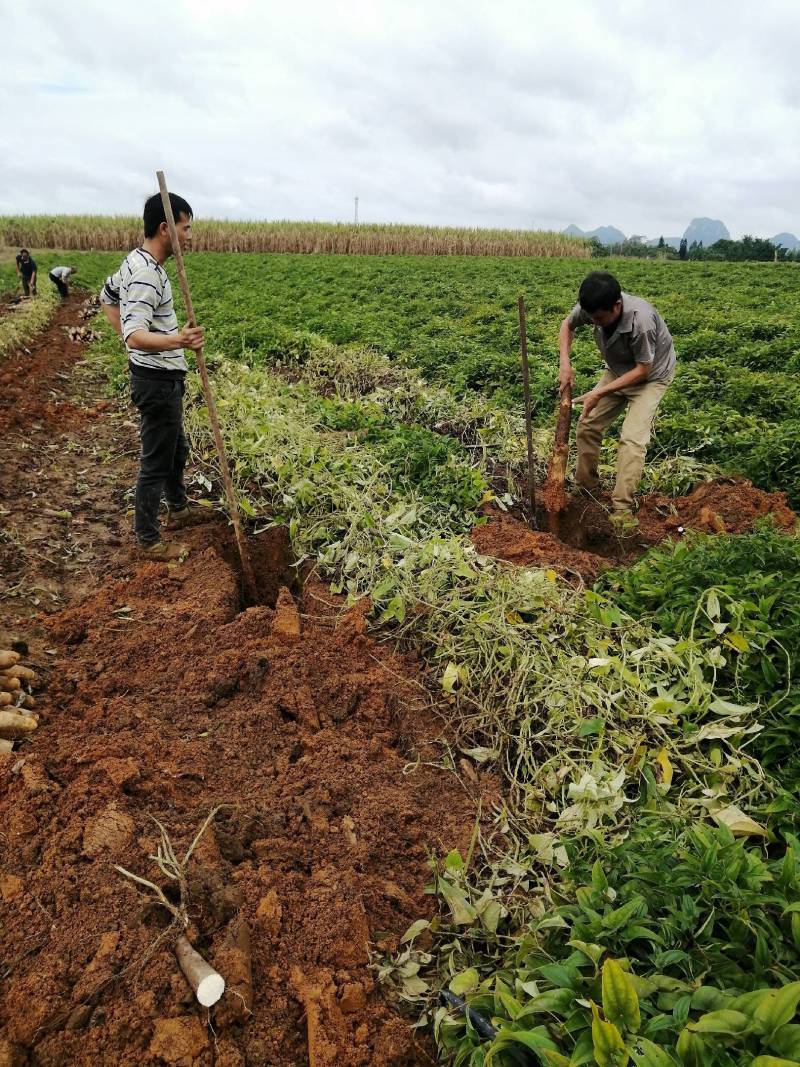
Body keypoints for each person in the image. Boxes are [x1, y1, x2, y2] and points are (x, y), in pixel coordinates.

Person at [99, 192, 204, 559]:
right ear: (165, 229)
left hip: (161, 377)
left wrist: (131, 339)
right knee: (157, 459)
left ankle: (178, 508)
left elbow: (107, 295)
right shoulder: (146, 274)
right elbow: (135, 334)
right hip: (157, 382)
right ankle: (148, 539)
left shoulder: (135, 262)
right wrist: (179, 339)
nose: (188, 237)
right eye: (184, 228)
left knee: (177, 449)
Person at [558, 271, 676, 524]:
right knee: (588, 425)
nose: (596, 323)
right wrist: (565, 363)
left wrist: (599, 392)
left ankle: (622, 509)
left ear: (617, 305)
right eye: (592, 318)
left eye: (600, 318)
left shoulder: (641, 321)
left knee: (632, 439)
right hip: (618, 369)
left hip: (650, 377)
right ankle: (586, 489)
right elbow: (567, 325)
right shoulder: (592, 308)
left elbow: (643, 370)